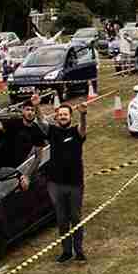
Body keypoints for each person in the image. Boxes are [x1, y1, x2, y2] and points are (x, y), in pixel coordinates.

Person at [43, 96, 89, 262]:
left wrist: (83, 115)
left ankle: (79, 250)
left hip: (75, 183)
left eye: (66, 114)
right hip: (55, 184)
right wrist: (36, 107)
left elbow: (83, 129)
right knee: (62, 219)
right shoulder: (52, 131)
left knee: (75, 217)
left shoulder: (76, 132)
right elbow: (40, 121)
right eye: (60, 114)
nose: (63, 117)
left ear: (70, 117)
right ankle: (66, 251)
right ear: (56, 117)